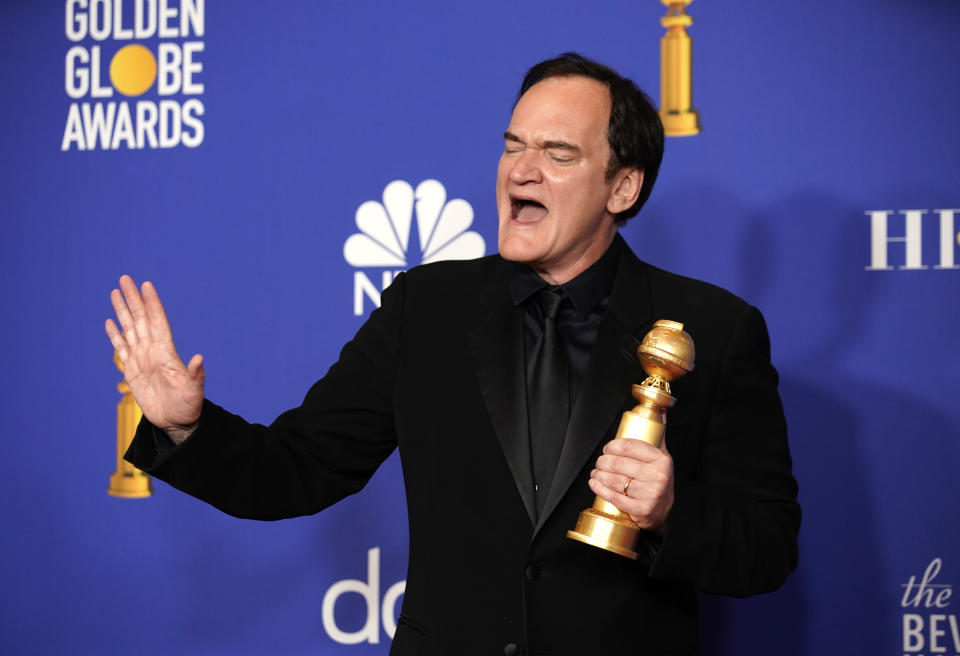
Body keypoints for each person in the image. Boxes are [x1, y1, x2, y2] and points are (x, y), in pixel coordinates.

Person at [106, 53, 799, 655]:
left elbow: (767, 550)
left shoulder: (714, 328)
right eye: (512, 145)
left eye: (558, 154)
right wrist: (184, 426)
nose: (522, 170)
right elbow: (296, 471)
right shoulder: (426, 308)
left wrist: (673, 511)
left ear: (623, 187)